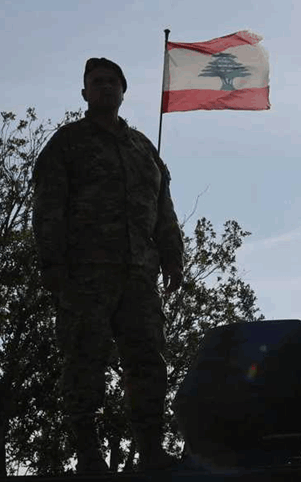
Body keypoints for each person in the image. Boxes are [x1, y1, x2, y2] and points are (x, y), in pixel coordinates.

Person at [32, 57, 186, 472]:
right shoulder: (68, 143)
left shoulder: (143, 149)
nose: (104, 87)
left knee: (148, 361)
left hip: (139, 275)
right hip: (85, 275)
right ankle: (88, 454)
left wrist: (173, 257)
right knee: (84, 360)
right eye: (96, 82)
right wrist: (52, 265)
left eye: (111, 81)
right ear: (84, 93)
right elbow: (48, 207)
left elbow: (163, 208)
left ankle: (151, 450)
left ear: (123, 91)